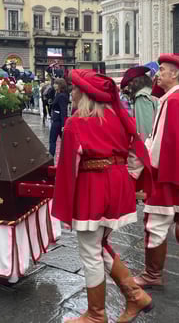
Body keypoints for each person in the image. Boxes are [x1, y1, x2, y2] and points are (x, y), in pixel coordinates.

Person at [52, 69, 154, 323]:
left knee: (89, 252)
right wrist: (125, 179)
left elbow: (68, 169)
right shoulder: (118, 117)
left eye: (75, 88)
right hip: (118, 189)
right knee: (100, 245)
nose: (72, 92)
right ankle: (135, 296)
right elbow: (137, 154)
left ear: (84, 93)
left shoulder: (76, 122)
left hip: (93, 190)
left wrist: (65, 202)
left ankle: (96, 314)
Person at [134, 54, 179, 290]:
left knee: (155, 222)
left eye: (162, 70)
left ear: (175, 73)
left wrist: (147, 170)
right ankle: (152, 273)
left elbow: (162, 143)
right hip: (173, 171)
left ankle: (152, 275)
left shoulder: (173, 101)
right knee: (173, 217)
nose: (157, 75)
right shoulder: (177, 99)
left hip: (165, 174)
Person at [121, 66, 158, 140]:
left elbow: (145, 128)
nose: (129, 88)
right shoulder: (151, 92)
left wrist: (145, 148)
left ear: (134, 83)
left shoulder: (141, 97)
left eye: (129, 84)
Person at [49, 78, 69, 157]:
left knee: (52, 141)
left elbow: (63, 111)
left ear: (60, 85)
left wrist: (63, 125)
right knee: (63, 142)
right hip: (57, 121)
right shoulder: (57, 94)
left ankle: (51, 158)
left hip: (58, 122)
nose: (54, 85)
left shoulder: (61, 96)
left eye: (55, 84)